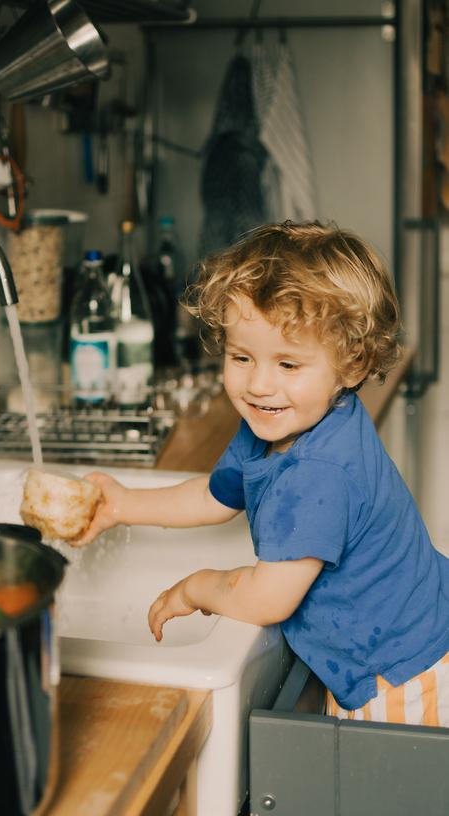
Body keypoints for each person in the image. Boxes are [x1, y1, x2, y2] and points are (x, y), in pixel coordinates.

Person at [76, 221, 449, 727]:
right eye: (241, 357)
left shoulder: (318, 471)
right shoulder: (282, 424)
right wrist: (123, 505)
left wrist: (194, 589)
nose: (259, 384)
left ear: (353, 364)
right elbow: (215, 497)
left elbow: (267, 598)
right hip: (399, 639)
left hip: (402, 673)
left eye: (288, 365)